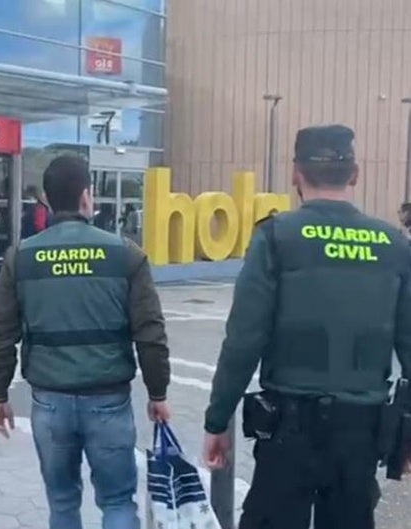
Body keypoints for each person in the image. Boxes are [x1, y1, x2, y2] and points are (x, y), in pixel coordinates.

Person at [203, 125, 411, 529]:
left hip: (287, 431)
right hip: (360, 433)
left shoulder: (277, 237)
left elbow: (244, 340)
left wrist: (217, 421)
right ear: (355, 174)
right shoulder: (394, 245)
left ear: (295, 173)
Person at [0, 155, 172, 529]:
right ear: (88, 196)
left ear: (49, 200)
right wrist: (158, 392)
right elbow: (150, 332)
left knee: (63, 502)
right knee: (118, 501)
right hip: (109, 400)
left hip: (50, 402)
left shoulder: (21, 257)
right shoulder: (125, 254)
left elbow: (0, 333)